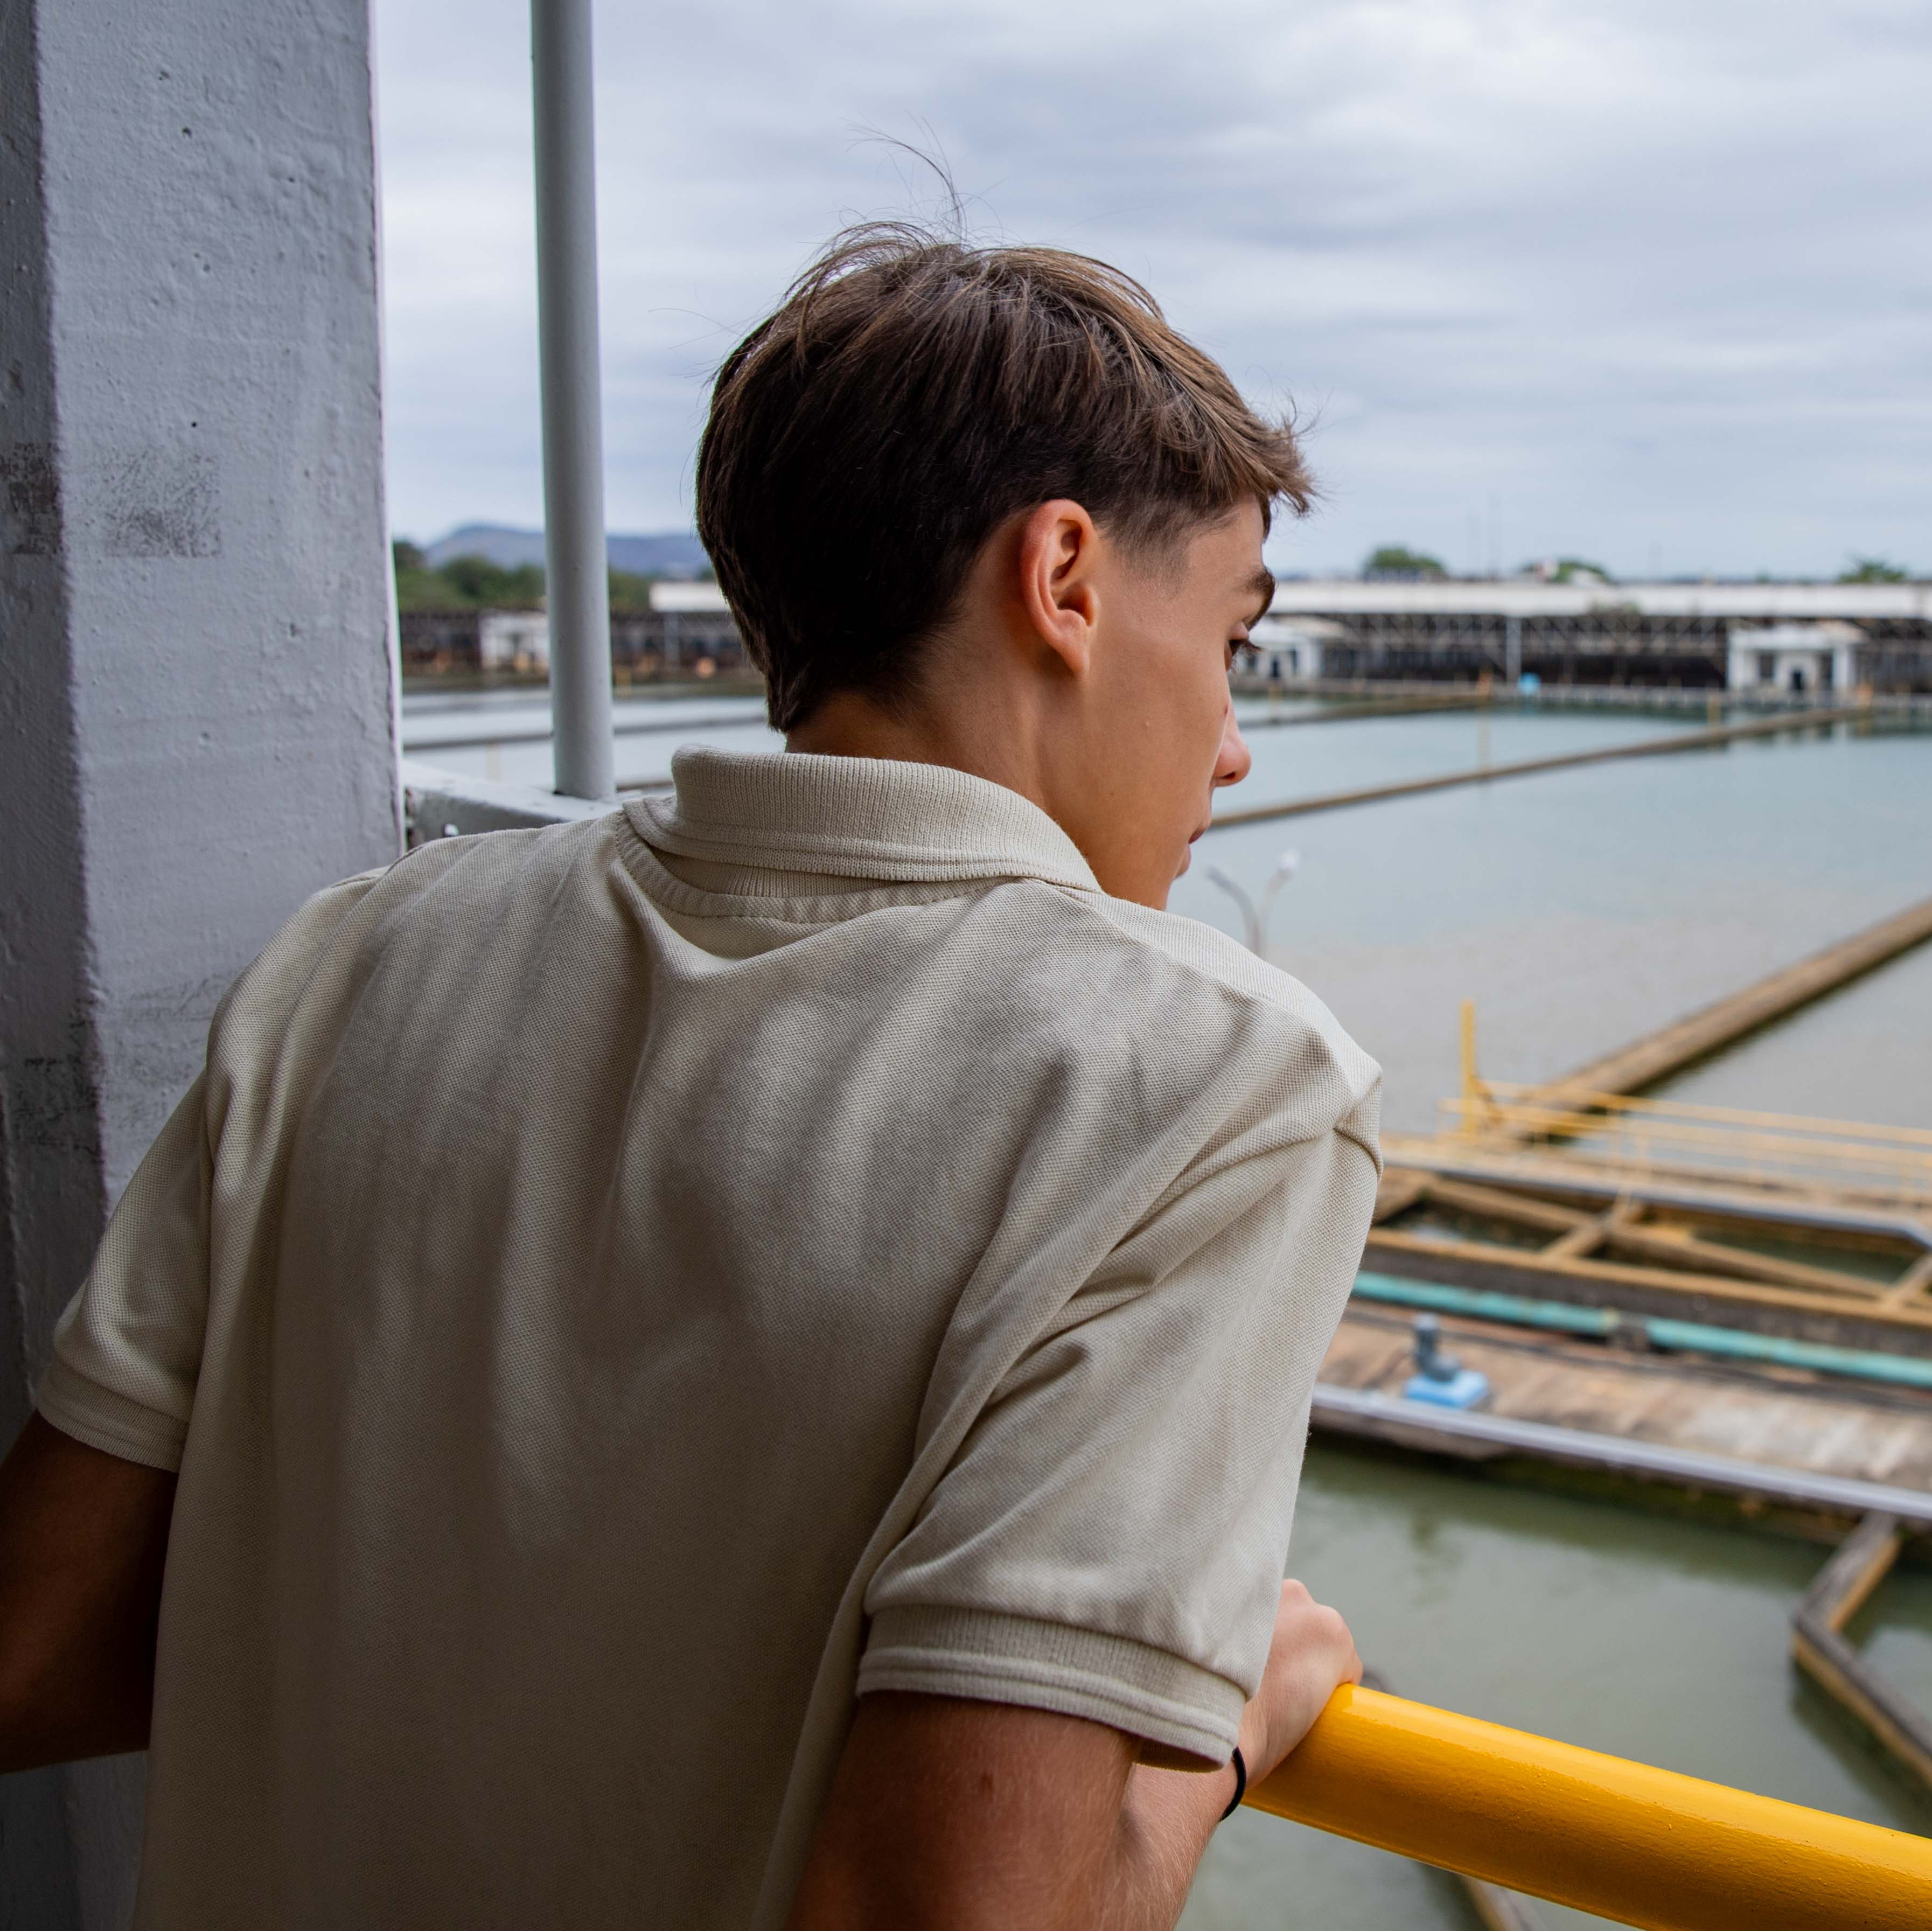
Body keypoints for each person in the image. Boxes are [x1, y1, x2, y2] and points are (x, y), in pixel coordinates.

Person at [0, 228, 1380, 1929]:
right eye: (1235, 639)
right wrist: (1216, 1736)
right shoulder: (1212, 1085)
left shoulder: (355, 950)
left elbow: (36, 1649)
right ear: (1067, 578)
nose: (1234, 741)